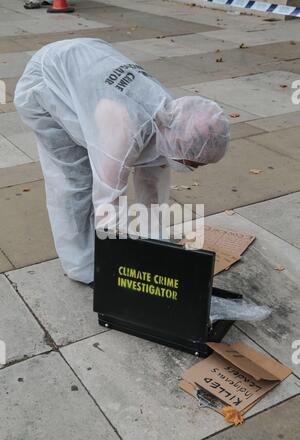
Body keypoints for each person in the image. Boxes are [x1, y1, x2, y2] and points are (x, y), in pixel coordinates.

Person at [14, 38, 229, 285]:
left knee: (128, 160)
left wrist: (155, 246)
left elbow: (152, 183)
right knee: (75, 180)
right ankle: (81, 265)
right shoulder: (125, 133)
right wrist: (121, 267)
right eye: (195, 163)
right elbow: (108, 203)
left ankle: (147, 243)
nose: (195, 169)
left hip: (87, 56)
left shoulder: (176, 117)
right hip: (45, 80)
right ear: (180, 149)